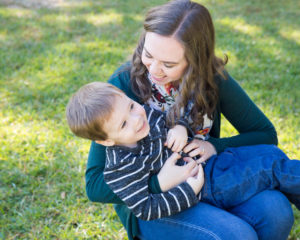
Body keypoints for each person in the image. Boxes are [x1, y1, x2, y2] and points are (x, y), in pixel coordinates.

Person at [84, 1, 294, 240]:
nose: (154, 69)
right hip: (153, 201)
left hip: (209, 180)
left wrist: (214, 146)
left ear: (195, 61)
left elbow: (265, 134)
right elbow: (94, 184)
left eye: (169, 64)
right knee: (237, 235)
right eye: (149, 54)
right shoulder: (123, 88)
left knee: (276, 211)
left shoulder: (211, 80)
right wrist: (158, 182)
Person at [66, 81, 300, 222]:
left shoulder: (146, 116)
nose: (136, 119)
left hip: (213, 163)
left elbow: (178, 116)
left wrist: (180, 126)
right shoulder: (121, 170)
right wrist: (189, 190)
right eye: (123, 124)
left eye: (131, 106)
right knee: (272, 169)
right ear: (104, 141)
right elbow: (146, 208)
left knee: (270, 154)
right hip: (208, 187)